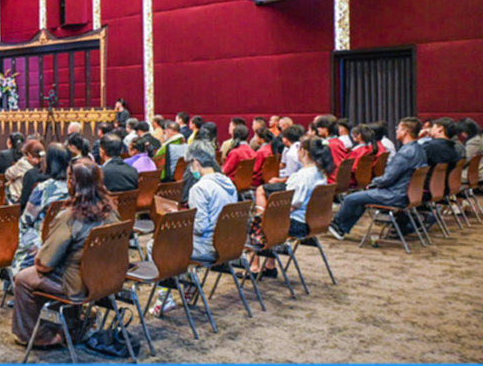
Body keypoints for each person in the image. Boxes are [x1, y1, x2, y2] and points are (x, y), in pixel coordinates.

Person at [12, 158, 120, 347]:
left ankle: (40, 336)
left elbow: (45, 264)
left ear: (71, 182)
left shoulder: (69, 217)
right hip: (105, 278)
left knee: (23, 278)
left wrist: (40, 256)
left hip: (77, 285)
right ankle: (74, 324)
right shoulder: (111, 211)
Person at [150, 141, 236, 315]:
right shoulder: (228, 183)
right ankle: (188, 283)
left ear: (196, 162)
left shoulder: (199, 188)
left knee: (155, 245)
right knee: (173, 246)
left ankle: (165, 297)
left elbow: (200, 227)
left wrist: (180, 220)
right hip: (227, 243)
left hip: (206, 247)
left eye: (190, 164)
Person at [247, 137, 332, 277]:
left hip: (297, 225)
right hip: (313, 222)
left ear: (304, 152)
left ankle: (254, 267)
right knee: (267, 221)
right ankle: (270, 265)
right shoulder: (321, 173)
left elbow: (290, 206)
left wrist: (264, 214)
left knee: (253, 222)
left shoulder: (301, 176)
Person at [329, 118, 426, 240]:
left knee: (350, 198)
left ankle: (337, 224)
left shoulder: (405, 153)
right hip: (407, 193)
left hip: (394, 194)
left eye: (398, 128)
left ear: (405, 131)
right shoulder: (419, 149)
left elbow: (388, 178)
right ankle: (341, 228)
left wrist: (372, 183)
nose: (396, 131)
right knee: (360, 198)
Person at [10, 144, 71, 278]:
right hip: (68, 239)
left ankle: (17, 276)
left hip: (44, 242)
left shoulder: (43, 189)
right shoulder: (76, 186)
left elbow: (26, 220)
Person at [422, 117, 462, 195]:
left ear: (440, 128)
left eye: (433, 127)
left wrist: (415, 138)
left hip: (425, 190)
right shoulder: (453, 148)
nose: (430, 130)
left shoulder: (430, 146)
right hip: (444, 188)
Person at [6, 139, 43, 205]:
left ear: (29, 155)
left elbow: (7, 175)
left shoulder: (23, 163)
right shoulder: (44, 165)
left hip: (17, 200)